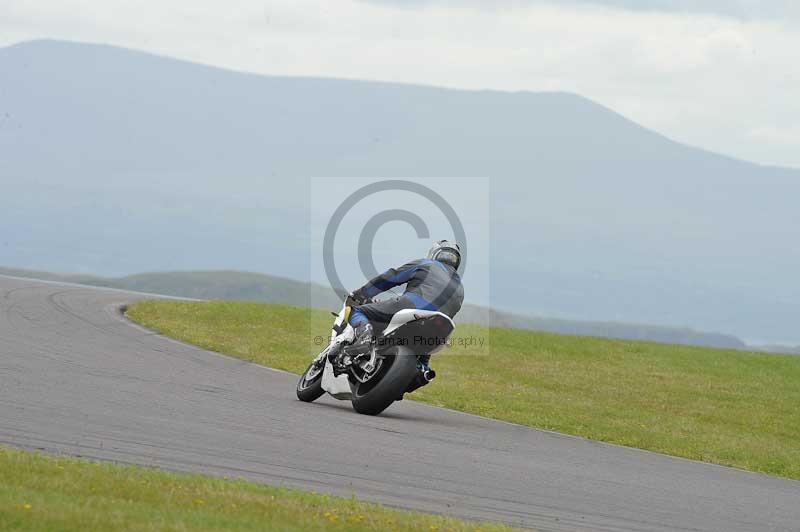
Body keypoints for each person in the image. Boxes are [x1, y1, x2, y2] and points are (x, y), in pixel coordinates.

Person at [340, 240, 464, 373]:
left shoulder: (427, 264)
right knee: (426, 347)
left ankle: (364, 338)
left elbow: (390, 278)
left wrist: (361, 293)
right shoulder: (460, 288)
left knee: (354, 311)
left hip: (412, 306)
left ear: (434, 254)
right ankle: (422, 369)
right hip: (439, 328)